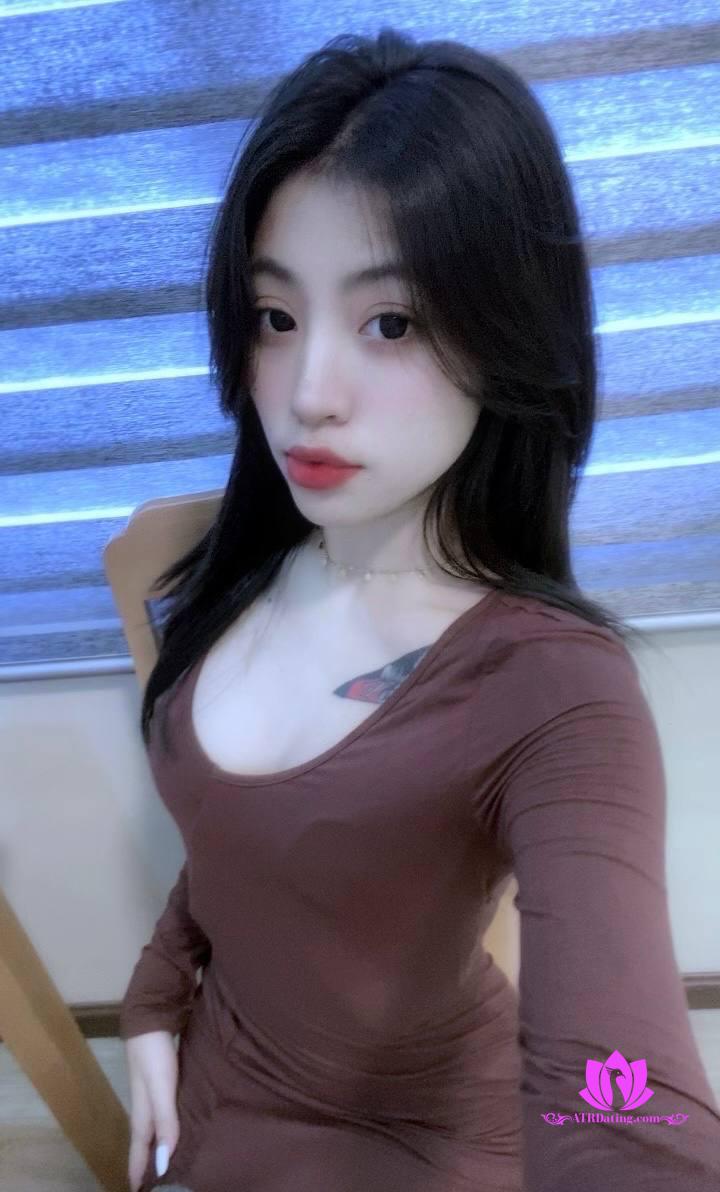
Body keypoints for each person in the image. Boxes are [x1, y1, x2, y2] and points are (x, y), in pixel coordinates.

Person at [119, 26, 720, 1192]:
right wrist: (153, 1001)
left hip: (403, 1146)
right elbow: (234, 844)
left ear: (508, 335)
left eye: (390, 323)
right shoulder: (247, 563)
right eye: (275, 316)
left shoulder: (556, 690)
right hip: (212, 1093)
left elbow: (624, 1092)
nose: (307, 395)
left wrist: (629, 1138)